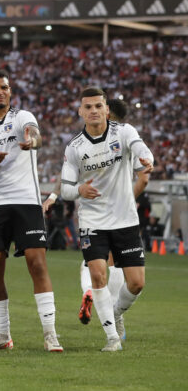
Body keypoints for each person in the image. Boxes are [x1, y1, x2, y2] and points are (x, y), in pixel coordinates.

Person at [0, 70, 62, 352]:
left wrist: (31, 142)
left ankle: (50, 334)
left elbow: (37, 136)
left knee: (37, 264)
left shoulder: (22, 117)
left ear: (10, 92)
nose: (0, 92)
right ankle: (2, 336)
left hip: (26, 201)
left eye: (4, 88)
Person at [60, 87, 154, 351]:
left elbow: (140, 150)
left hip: (125, 220)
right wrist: (79, 189)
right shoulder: (74, 148)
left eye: (98, 106)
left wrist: (148, 159)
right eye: (87, 107)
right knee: (98, 275)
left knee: (136, 283)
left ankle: (117, 313)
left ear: (106, 109)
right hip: (93, 222)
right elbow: (66, 188)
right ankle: (112, 338)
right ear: (81, 111)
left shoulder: (123, 132)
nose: (93, 111)